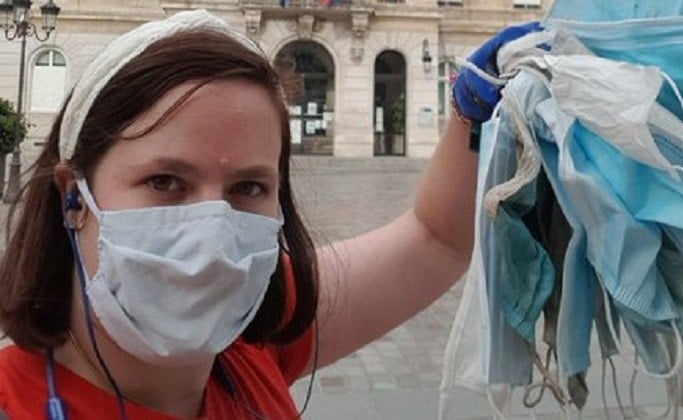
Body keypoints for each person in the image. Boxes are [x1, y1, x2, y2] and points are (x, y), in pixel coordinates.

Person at [0, 10, 537, 419]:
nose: (211, 238)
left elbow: (433, 240)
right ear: (74, 195)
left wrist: (473, 114)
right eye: (165, 181)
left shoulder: (251, 343)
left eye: (248, 186)